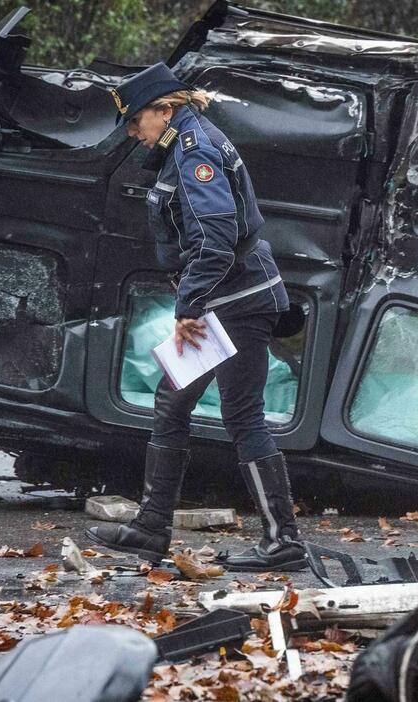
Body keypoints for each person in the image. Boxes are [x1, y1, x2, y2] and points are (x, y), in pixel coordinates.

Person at [86, 63, 306, 572]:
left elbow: (216, 239)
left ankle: (283, 540)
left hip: (236, 301)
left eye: (137, 122)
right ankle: (150, 528)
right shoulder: (184, 143)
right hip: (225, 300)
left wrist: (187, 307)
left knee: (241, 415)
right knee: (172, 401)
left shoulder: (194, 152)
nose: (134, 134)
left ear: (166, 109)